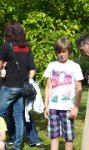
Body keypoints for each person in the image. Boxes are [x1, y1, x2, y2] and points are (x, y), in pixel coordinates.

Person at [0, 21, 36, 150]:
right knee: (19, 117)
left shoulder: (5, 46)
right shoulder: (26, 47)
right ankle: (17, 146)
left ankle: (1, 142)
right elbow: (32, 69)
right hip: (22, 88)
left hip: (8, 86)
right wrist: (26, 80)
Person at [43, 36, 83, 150]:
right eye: (59, 52)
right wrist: (46, 106)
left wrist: (76, 107)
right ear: (56, 52)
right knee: (54, 136)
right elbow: (47, 87)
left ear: (69, 51)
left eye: (64, 51)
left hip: (68, 108)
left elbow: (79, 88)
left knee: (68, 137)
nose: (61, 54)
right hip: (53, 107)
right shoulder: (51, 65)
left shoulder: (75, 66)